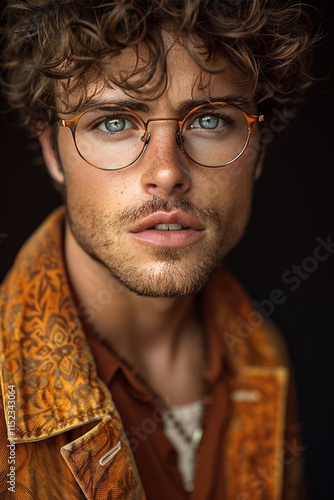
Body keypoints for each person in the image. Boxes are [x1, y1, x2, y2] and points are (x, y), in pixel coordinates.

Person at [0, 0, 317, 498]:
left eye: (210, 120)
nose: (167, 172)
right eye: (112, 122)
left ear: (259, 150)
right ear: (50, 150)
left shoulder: (265, 355)